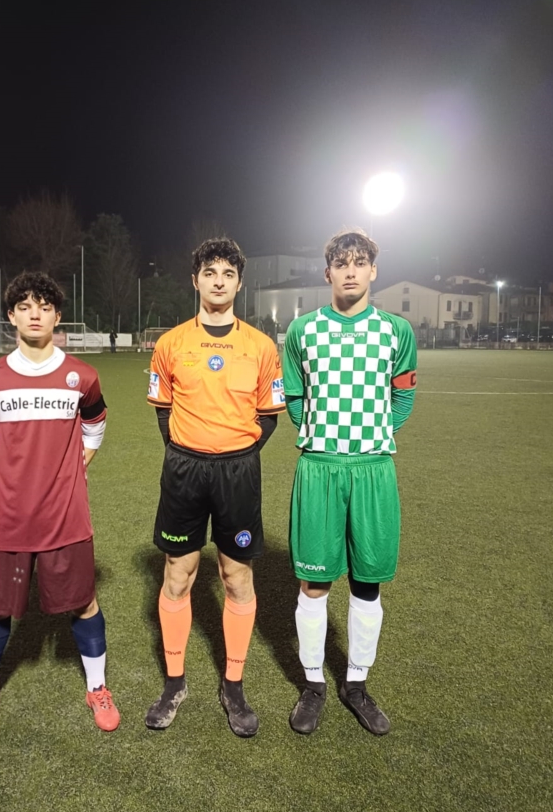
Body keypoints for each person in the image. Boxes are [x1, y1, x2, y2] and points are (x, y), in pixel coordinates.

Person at [0, 271, 120, 738]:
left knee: (83, 601)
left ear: (57, 315)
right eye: (24, 307)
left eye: (44, 306)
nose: (35, 314)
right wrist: (18, 479)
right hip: (7, 515)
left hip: (66, 513)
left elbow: (96, 424)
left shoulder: (83, 376)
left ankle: (98, 688)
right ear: (11, 316)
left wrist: (73, 469)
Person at [145, 238, 285, 737]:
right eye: (210, 272)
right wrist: (191, 450)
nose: (219, 281)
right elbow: (163, 411)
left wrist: (234, 452)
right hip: (184, 470)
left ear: (239, 283)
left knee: (236, 577)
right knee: (178, 574)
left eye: (228, 273)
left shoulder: (261, 346)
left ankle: (234, 685)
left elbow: (269, 416)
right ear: (196, 281)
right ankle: (174, 682)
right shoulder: (170, 343)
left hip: (238, 473)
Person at [282, 228, 417, 736]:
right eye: (342, 264)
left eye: (360, 263)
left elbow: (403, 396)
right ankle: (314, 684)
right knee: (315, 582)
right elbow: (295, 397)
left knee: (367, 580)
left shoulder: (396, 331)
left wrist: (373, 437)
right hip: (319, 467)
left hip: (373, 468)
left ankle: (356, 683)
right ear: (328, 274)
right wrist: (323, 438)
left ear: (373, 271)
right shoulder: (303, 331)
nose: (351, 271)